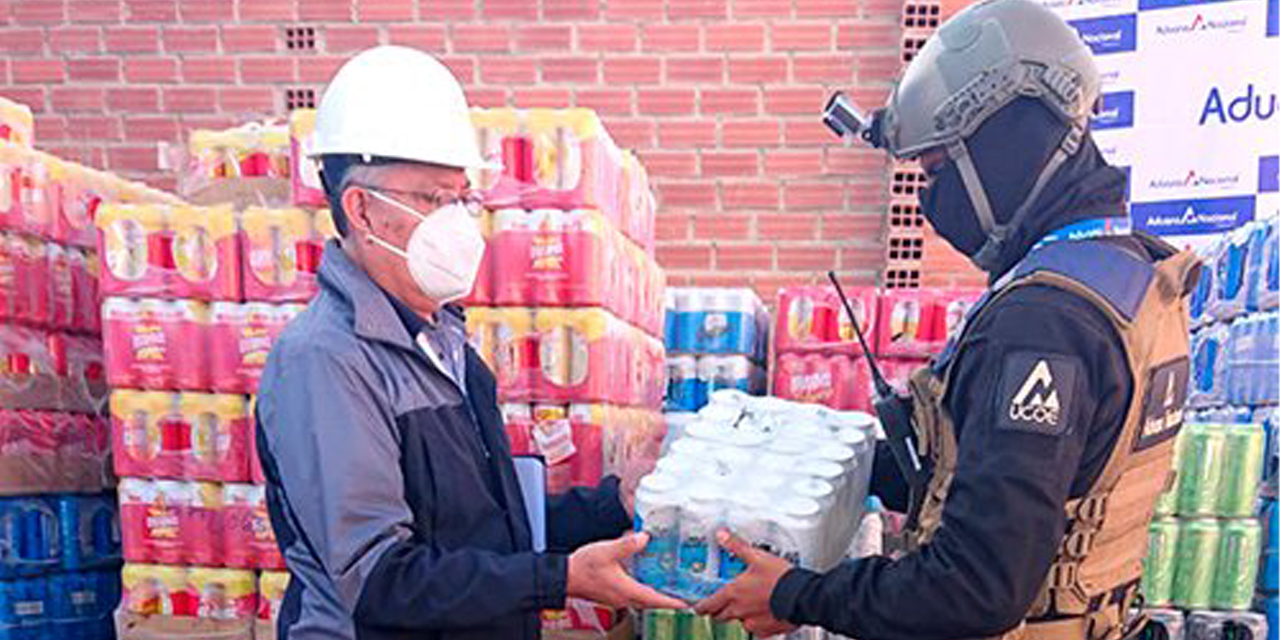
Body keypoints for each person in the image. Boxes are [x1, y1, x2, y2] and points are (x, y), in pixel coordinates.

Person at [698, 1, 1201, 639]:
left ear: (1005, 142)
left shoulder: (1045, 321)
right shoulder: (1124, 276)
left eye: (936, 170)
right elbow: (993, 476)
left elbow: (975, 587)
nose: (930, 199)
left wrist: (798, 594)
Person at [254, 45, 684, 640]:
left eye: (462, 198)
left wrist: (614, 504)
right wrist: (558, 579)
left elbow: (492, 524)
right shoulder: (327, 361)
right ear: (361, 210)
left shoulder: (446, 342)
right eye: (433, 199)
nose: (457, 221)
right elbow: (381, 578)